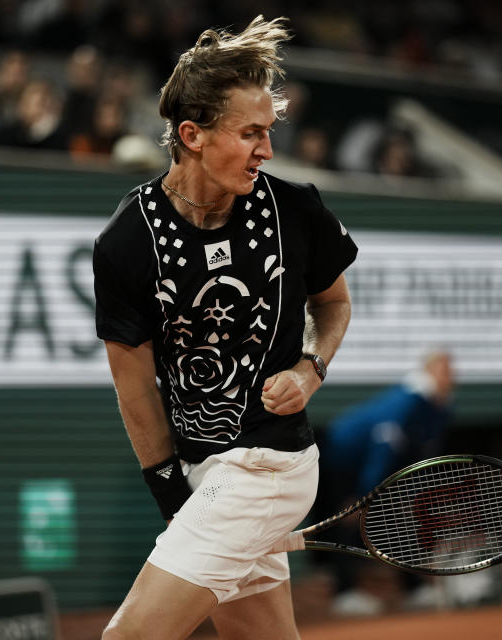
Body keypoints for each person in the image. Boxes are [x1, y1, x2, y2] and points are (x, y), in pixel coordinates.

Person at [92, 16, 358, 640]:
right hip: (203, 472)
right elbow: (134, 389)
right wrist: (173, 499)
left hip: (270, 466)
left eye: (269, 132)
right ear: (192, 135)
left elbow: (334, 306)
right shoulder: (129, 239)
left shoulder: (296, 208)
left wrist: (309, 369)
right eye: (250, 134)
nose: (266, 150)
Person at [321, 350, 454, 615]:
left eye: (451, 371)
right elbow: (382, 449)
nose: (450, 377)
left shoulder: (440, 408)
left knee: (400, 519)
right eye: (444, 370)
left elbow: (421, 453)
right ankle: (344, 595)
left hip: (384, 467)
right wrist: (364, 495)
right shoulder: (406, 402)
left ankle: (414, 589)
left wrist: (415, 493)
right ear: (428, 371)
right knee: (349, 521)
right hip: (343, 459)